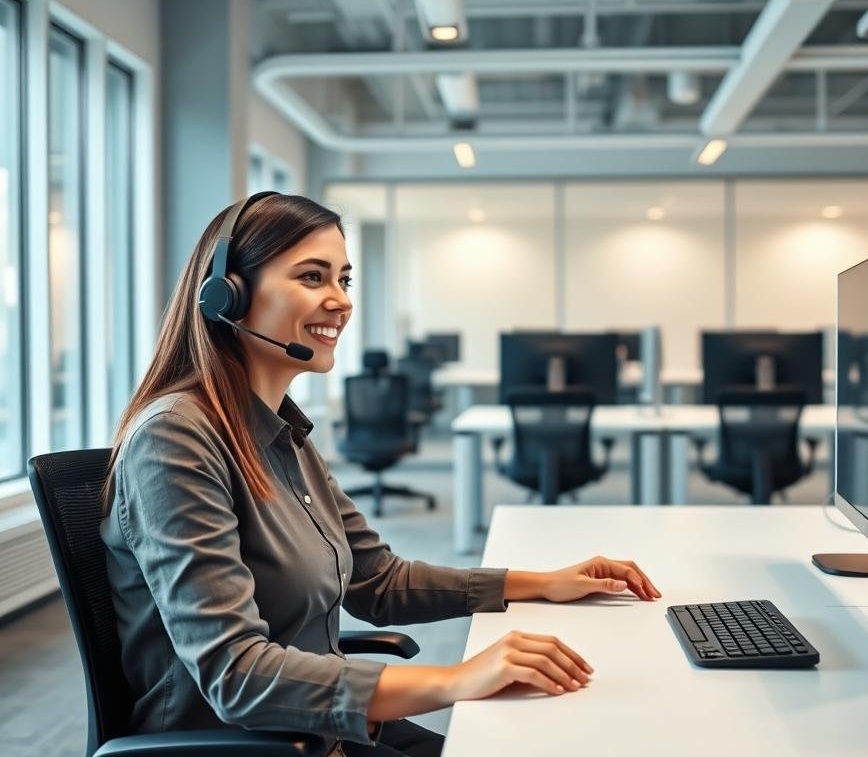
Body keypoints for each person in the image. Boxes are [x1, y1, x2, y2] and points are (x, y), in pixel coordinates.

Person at [99, 192, 661, 757]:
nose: (339, 302)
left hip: (325, 729)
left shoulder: (280, 435)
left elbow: (378, 581)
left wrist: (541, 582)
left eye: (344, 280)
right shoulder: (175, 438)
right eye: (313, 277)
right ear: (229, 295)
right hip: (248, 745)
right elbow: (236, 674)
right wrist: (457, 679)